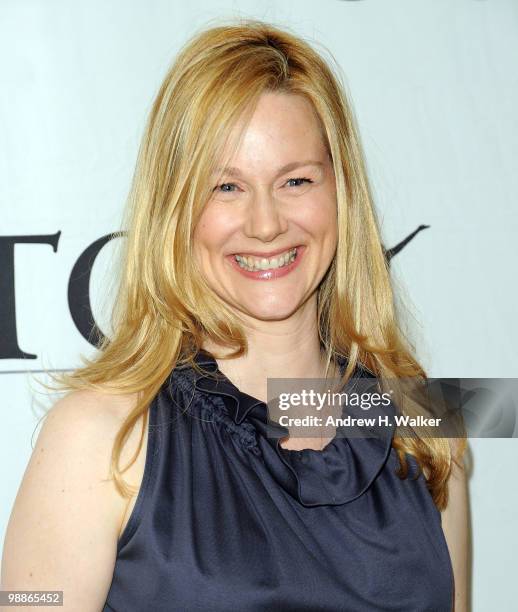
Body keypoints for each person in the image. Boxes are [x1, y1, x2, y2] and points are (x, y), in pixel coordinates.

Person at [1, 19, 469, 612]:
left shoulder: (425, 424)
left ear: (341, 192)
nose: (266, 223)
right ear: (174, 208)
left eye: (296, 180)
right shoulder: (99, 436)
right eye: (226, 187)